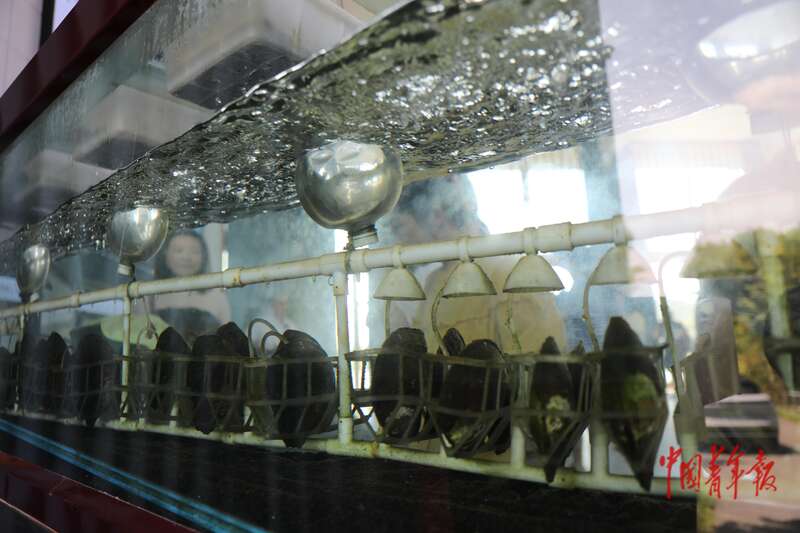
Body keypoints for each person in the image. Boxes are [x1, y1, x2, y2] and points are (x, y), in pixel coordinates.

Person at [150, 230, 232, 344]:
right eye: (179, 250)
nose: (186, 257)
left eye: (195, 251)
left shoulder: (217, 296)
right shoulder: (149, 294)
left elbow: (228, 340)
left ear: (204, 257)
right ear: (165, 255)